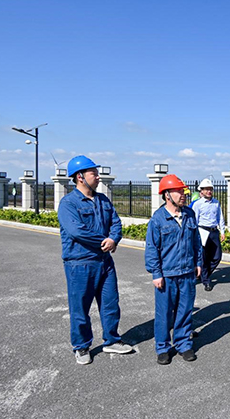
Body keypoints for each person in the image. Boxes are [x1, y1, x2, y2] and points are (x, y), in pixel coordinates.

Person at [57, 155, 133, 365]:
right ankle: (81, 346)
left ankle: (112, 340)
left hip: (104, 262)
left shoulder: (103, 200)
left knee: (110, 303)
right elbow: (77, 231)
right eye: (94, 173)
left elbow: (116, 222)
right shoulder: (68, 203)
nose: (98, 177)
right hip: (80, 263)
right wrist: (104, 241)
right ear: (80, 176)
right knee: (80, 308)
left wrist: (114, 238)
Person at [145, 174, 203, 365]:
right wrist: (156, 273)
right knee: (164, 313)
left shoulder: (189, 214)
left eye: (183, 191)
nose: (183, 194)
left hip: (187, 272)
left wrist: (198, 263)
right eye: (179, 191)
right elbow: (152, 248)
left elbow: (196, 242)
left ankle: (183, 344)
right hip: (167, 274)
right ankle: (162, 347)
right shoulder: (158, 219)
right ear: (167, 195)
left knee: (185, 310)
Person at [190, 178, 225, 292]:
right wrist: (194, 235)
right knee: (204, 258)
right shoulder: (197, 204)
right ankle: (206, 281)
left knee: (217, 257)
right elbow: (195, 220)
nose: (209, 191)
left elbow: (220, 217)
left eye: (210, 189)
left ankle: (202, 274)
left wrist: (222, 231)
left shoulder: (216, 203)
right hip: (202, 231)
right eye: (206, 189)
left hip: (214, 232)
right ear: (201, 191)